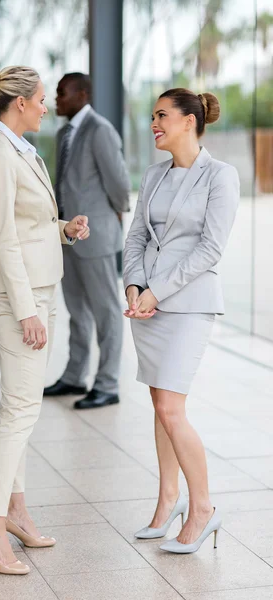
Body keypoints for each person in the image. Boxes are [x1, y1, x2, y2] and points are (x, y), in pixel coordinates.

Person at [0, 65, 90, 575]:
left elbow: (27, 223)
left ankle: (15, 512)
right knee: (20, 412)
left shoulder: (20, 149)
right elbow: (0, 239)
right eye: (42, 98)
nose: (47, 105)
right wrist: (26, 312)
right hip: (22, 300)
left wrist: (64, 228)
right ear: (19, 102)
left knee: (20, 411)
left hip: (41, 291)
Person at [123, 88, 239, 554]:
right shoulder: (153, 174)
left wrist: (156, 290)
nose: (154, 124)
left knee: (171, 408)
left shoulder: (220, 176)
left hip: (187, 304)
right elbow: (135, 238)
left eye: (162, 116)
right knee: (161, 406)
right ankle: (168, 499)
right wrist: (133, 286)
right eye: (153, 116)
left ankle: (203, 508)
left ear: (190, 121)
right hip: (145, 306)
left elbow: (210, 249)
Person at [44, 73, 131, 410]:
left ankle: (107, 384)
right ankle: (74, 376)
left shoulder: (100, 130)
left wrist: (115, 214)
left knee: (106, 312)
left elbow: (120, 183)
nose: (56, 100)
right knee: (76, 311)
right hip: (67, 237)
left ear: (82, 94)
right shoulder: (65, 132)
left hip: (96, 237)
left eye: (62, 93)